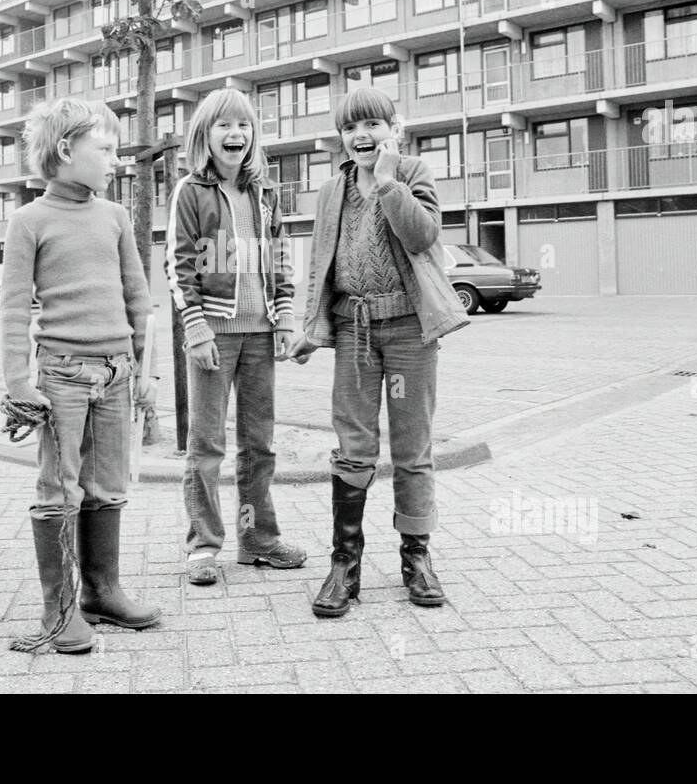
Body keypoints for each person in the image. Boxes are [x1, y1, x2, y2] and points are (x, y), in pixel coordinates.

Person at [289, 87, 470, 617]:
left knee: (413, 447)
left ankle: (417, 557)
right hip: (354, 332)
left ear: (395, 127)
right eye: (350, 128)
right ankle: (345, 562)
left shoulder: (413, 173)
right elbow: (320, 264)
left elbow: (421, 237)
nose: (360, 136)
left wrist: (389, 182)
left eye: (372, 124)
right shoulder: (331, 189)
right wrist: (309, 327)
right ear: (341, 137)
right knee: (353, 446)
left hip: (410, 330)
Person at [1, 97, 160, 653]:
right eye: (108, 148)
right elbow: (16, 308)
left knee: (108, 484)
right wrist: (18, 381)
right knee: (59, 488)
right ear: (67, 149)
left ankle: (101, 590)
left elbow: (139, 298)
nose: (117, 160)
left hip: (117, 372)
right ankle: (60, 608)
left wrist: (147, 370)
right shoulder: (29, 221)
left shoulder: (116, 217)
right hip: (61, 376)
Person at [165, 88, 307, 585]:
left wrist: (285, 319)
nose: (236, 134)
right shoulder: (191, 191)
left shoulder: (265, 193)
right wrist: (197, 327)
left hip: (260, 335)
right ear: (205, 135)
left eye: (243, 125)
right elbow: (179, 266)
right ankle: (203, 546)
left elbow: (282, 258)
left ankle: (257, 540)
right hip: (214, 338)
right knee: (205, 446)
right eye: (224, 125)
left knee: (258, 444)